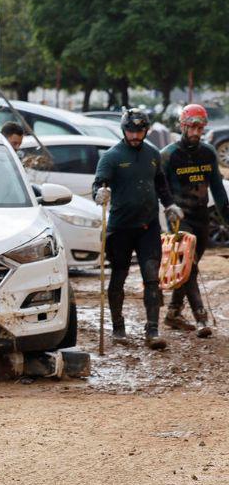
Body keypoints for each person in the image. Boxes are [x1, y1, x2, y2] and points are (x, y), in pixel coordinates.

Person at [93, 108, 183, 349]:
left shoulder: (153, 154)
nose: (135, 135)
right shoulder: (111, 156)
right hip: (120, 228)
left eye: (139, 131)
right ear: (124, 130)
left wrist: (170, 205)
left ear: (146, 130)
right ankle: (118, 327)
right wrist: (100, 194)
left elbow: (161, 186)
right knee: (119, 275)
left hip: (148, 227)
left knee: (152, 276)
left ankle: (152, 330)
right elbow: (99, 184)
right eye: (130, 131)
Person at [160, 103, 228, 338]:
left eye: (201, 128)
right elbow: (159, 188)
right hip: (179, 218)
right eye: (192, 127)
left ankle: (173, 312)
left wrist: (227, 219)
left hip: (201, 216)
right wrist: (168, 207)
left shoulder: (208, 152)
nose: (197, 133)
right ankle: (201, 317)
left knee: (188, 269)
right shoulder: (168, 155)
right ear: (182, 126)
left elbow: (218, 190)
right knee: (189, 266)